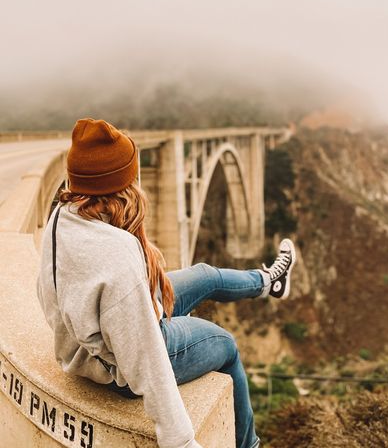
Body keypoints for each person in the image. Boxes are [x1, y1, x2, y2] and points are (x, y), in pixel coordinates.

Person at [36, 118, 296, 448]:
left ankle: (267, 281)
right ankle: (250, 445)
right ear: (121, 183)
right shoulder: (116, 253)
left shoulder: (62, 217)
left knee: (205, 274)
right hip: (117, 368)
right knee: (226, 345)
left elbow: (49, 295)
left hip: (105, 339)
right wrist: (181, 440)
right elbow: (144, 359)